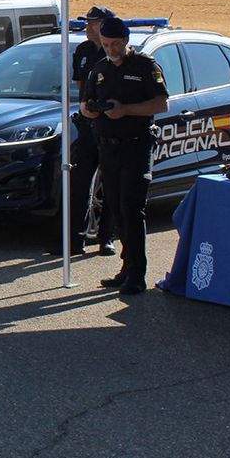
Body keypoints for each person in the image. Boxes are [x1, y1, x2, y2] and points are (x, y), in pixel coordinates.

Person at [80, 16, 168, 295]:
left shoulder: (145, 66)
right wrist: (90, 110)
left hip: (136, 145)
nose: (110, 49)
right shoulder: (100, 69)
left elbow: (161, 103)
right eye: (106, 44)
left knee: (132, 208)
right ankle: (126, 267)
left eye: (115, 44)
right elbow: (85, 102)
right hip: (108, 146)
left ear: (126, 41)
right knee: (116, 208)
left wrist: (125, 110)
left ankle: (137, 274)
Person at [66, 6, 117, 256]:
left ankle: (106, 237)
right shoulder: (83, 51)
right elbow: (81, 85)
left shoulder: (116, 54)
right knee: (79, 182)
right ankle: (76, 239)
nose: (88, 28)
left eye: (93, 23)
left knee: (109, 182)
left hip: (111, 128)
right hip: (87, 126)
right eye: (87, 23)